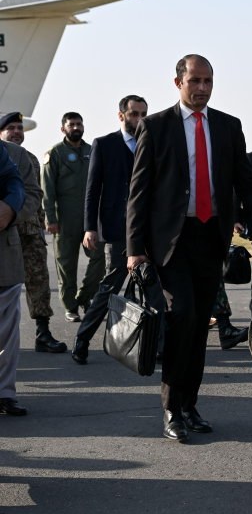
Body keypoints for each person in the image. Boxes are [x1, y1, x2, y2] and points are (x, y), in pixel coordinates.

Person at [126, 54, 252, 441]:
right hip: (171, 241)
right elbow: (139, 192)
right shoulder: (156, 126)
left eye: (208, 81)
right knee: (181, 315)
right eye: (195, 81)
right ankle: (171, 407)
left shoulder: (228, 126)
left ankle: (189, 404)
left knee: (201, 323)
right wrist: (135, 248)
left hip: (211, 238)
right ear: (178, 82)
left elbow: (245, 182)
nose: (201, 88)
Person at [72, 95, 148, 363]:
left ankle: (156, 345)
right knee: (111, 285)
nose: (139, 119)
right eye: (134, 114)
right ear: (121, 116)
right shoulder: (104, 145)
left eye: (143, 114)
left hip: (149, 228)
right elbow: (93, 190)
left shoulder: (153, 143)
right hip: (116, 228)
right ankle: (82, 339)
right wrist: (90, 228)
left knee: (155, 287)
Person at [0, 112, 65, 353]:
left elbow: (34, 194)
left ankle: (43, 332)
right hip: (8, 234)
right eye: (11, 128)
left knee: (39, 280)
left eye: (20, 128)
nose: (17, 132)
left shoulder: (31, 159)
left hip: (32, 231)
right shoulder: (4, 155)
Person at [42, 112, 105, 323]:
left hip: (90, 219)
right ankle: (71, 307)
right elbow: (47, 189)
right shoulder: (55, 153)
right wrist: (50, 218)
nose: (76, 127)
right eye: (71, 125)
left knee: (99, 259)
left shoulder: (92, 150)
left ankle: (84, 296)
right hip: (64, 218)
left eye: (79, 124)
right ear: (64, 129)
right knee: (66, 265)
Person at [0, 139, 38, 416]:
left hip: (5, 252)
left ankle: (4, 393)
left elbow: (33, 194)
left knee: (6, 333)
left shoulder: (15, 155)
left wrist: (11, 211)